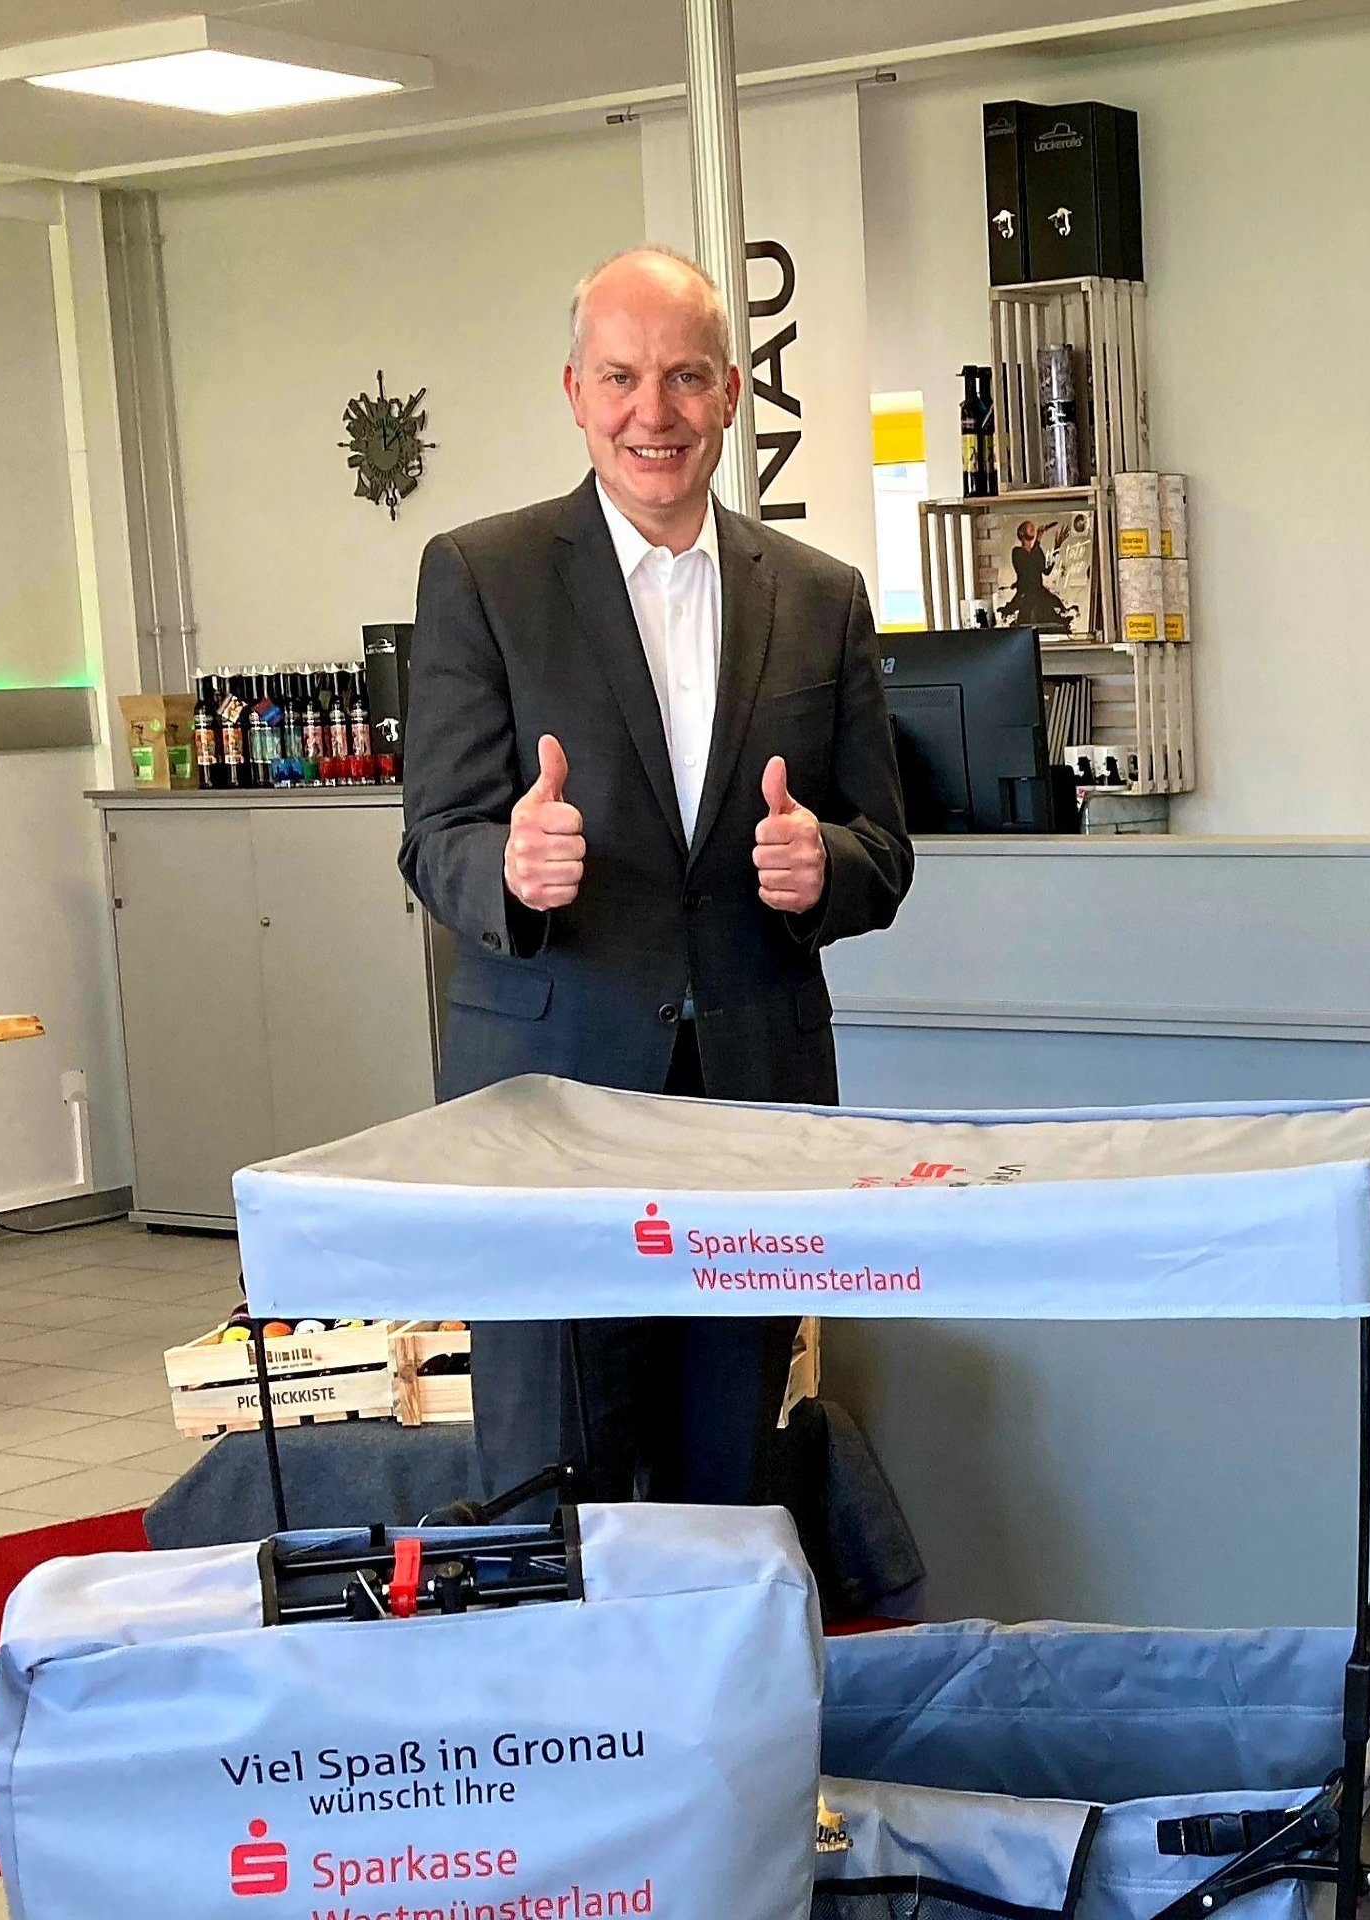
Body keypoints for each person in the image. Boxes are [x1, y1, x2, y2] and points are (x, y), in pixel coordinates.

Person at [399, 244, 917, 1515]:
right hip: (547, 1101)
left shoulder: (820, 594)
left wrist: (824, 869)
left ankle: (716, 1715)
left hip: (753, 1100)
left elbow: (881, 848)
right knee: (547, 1484)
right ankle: (557, 1720)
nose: (655, 412)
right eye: (622, 377)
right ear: (573, 391)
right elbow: (436, 833)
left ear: (733, 393)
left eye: (686, 378)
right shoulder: (483, 575)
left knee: (728, 1478)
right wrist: (512, 868)